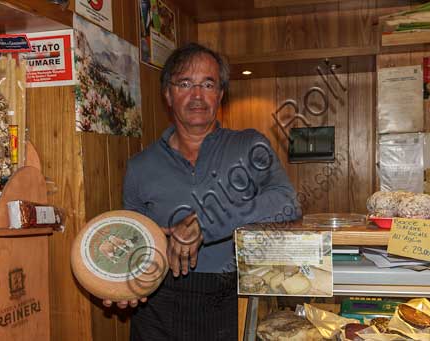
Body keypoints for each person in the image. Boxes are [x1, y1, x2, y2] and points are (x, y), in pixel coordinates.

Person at [104, 43, 299, 340]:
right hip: (158, 306)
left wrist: (206, 222)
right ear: (168, 95)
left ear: (219, 95)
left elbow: (287, 201)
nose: (197, 95)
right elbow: (134, 240)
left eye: (208, 84)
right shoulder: (140, 166)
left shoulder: (249, 144)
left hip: (234, 297)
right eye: (185, 83)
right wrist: (120, 283)